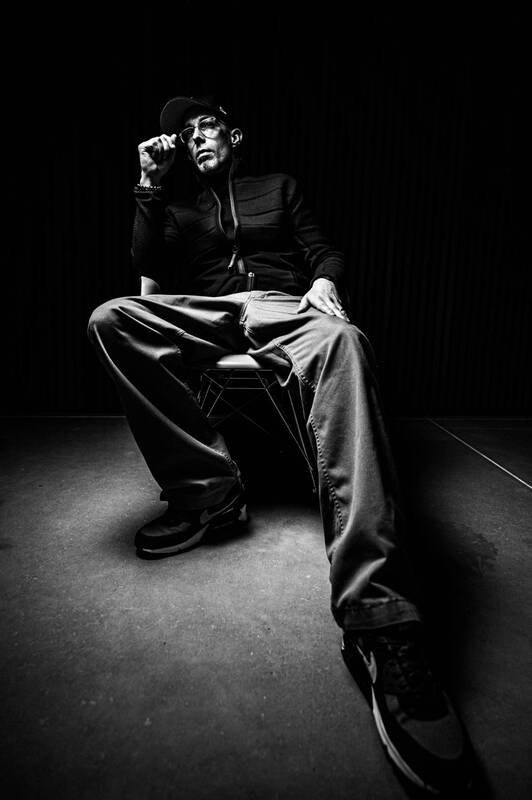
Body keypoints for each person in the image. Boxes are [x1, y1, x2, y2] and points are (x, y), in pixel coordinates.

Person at [87, 95, 472, 795]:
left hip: (284, 307)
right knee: (111, 318)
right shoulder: (177, 203)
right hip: (207, 312)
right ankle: (209, 490)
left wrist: (323, 280)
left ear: (232, 135)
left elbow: (323, 248)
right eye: (184, 134)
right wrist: (147, 184)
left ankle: (378, 610)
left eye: (205, 126)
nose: (195, 138)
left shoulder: (279, 186)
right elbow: (148, 264)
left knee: (346, 342)